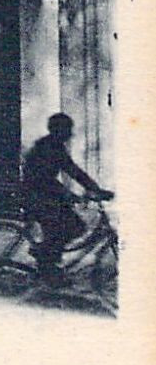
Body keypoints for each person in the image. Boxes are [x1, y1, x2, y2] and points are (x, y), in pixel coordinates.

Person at [22, 113, 114, 286]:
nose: (70, 134)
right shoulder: (45, 148)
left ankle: (47, 261)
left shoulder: (56, 146)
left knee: (76, 226)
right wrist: (69, 195)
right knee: (60, 228)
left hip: (47, 196)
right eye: (67, 130)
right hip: (35, 197)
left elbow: (73, 170)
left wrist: (96, 189)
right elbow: (44, 180)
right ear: (58, 130)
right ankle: (46, 264)